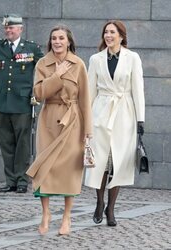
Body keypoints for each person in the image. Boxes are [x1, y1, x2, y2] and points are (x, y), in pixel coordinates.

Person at [26, 25, 92, 235]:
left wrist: (88, 131)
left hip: (73, 122)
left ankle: (66, 217)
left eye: (61, 38)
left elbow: (84, 100)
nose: (57, 42)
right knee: (44, 168)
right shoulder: (42, 63)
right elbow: (38, 93)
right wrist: (57, 76)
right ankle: (46, 214)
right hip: (48, 121)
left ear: (69, 41)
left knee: (69, 171)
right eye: (54, 38)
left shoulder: (79, 64)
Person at [84, 20, 145, 227]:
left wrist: (140, 119)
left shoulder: (132, 58)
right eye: (106, 32)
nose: (108, 36)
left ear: (121, 35)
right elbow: (90, 91)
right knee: (100, 162)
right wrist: (86, 120)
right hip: (100, 113)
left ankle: (111, 208)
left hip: (124, 114)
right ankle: (99, 202)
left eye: (112, 32)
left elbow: (138, 89)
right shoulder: (95, 59)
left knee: (118, 163)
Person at [0, 14, 44, 194]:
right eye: (6, 28)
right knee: (6, 143)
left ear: (20, 29)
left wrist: (38, 91)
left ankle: (22, 180)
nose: (8, 30)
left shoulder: (31, 48)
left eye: (12, 28)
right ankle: (10, 181)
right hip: (3, 102)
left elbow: (45, 67)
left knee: (22, 144)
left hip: (22, 102)